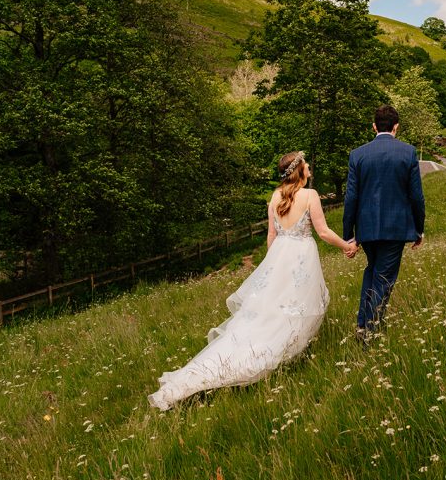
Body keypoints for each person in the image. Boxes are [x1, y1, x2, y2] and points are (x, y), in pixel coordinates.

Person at [149, 151, 355, 411]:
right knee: (297, 308)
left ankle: (220, 369)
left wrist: (271, 267)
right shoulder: (310, 196)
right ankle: (280, 355)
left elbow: (271, 235)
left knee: (272, 312)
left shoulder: (275, 196)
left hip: (280, 256)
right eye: (307, 166)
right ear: (298, 170)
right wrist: (346, 245)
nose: (310, 168)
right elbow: (323, 232)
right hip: (301, 257)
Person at [343, 105, 425, 343]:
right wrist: (418, 229)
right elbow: (416, 197)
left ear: (374, 126)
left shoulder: (357, 154)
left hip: (366, 230)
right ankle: (370, 332)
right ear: (396, 126)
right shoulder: (408, 153)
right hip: (395, 228)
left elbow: (351, 198)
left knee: (373, 272)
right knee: (383, 279)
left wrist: (349, 235)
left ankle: (362, 326)